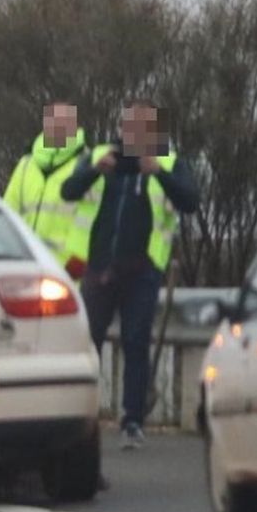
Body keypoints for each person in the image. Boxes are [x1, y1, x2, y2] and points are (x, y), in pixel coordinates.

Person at [60, 101, 200, 449]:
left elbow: (190, 201)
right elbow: (69, 191)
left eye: (143, 127)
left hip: (143, 269)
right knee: (87, 343)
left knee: (136, 343)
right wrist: (96, 171)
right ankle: (83, 417)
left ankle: (132, 420)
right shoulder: (99, 155)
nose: (134, 134)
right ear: (121, 128)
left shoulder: (167, 160)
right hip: (98, 267)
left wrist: (159, 174)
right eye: (129, 126)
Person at [1, 102, 95, 278]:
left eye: (63, 122)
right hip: (26, 264)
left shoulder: (87, 164)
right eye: (53, 122)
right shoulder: (26, 164)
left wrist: (81, 257)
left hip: (69, 269)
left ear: (75, 126)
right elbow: (8, 210)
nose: (57, 128)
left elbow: (91, 216)